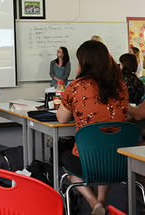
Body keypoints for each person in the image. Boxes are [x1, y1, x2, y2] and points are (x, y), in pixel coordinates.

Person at [57, 40, 129, 215]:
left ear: (83, 62)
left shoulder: (75, 87)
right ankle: (102, 199)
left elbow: (61, 119)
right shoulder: (120, 86)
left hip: (87, 162)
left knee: (64, 156)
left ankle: (93, 201)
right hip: (120, 161)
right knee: (105, 146)